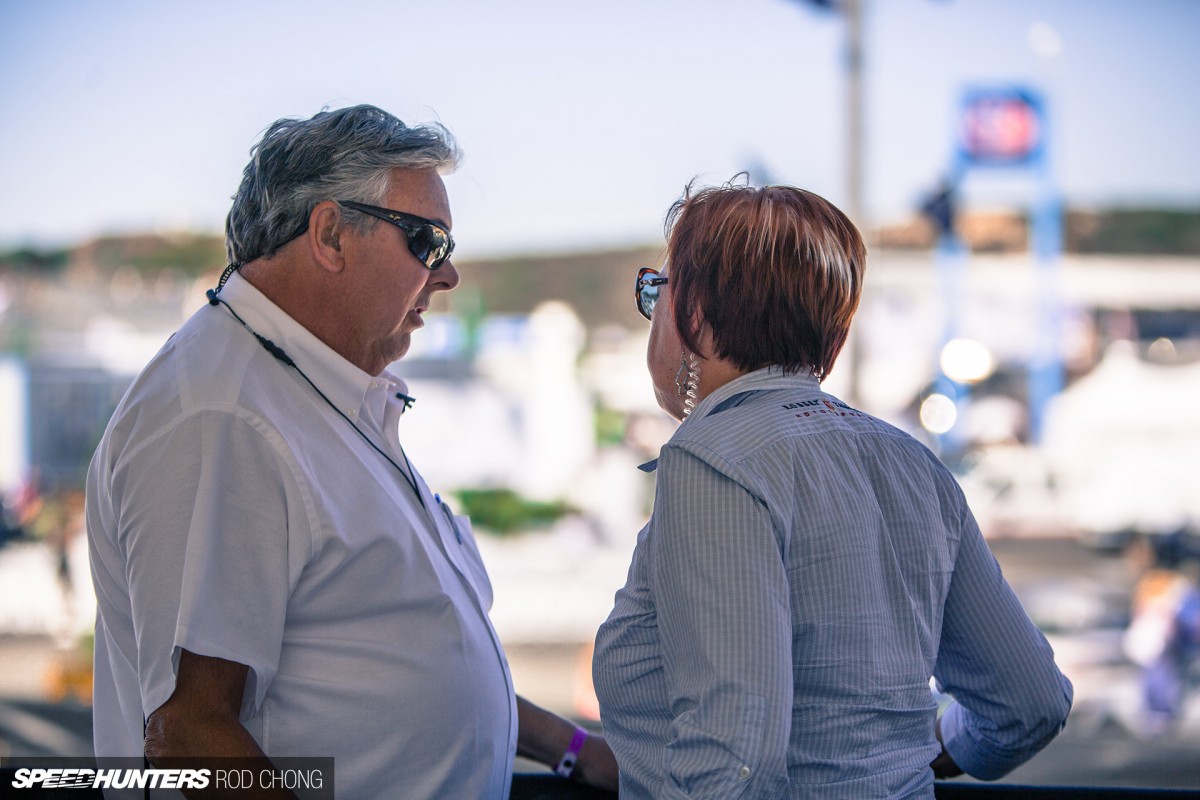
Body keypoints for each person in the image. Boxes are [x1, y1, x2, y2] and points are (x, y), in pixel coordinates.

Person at [86, 104, 616, 798]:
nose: (449, 274)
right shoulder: (224, 419)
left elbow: (388, 648)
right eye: (427, 242)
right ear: (332, 234)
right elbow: (187, 734)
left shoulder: (308, 391)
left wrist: (571, 746)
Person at [592, 180, 1074, 799]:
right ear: (833, 335)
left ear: (690, 311)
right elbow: (1029, 703)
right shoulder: (912, 465)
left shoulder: (712, 459)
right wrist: (921, 758)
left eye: (654, 291)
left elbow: (735, 762)